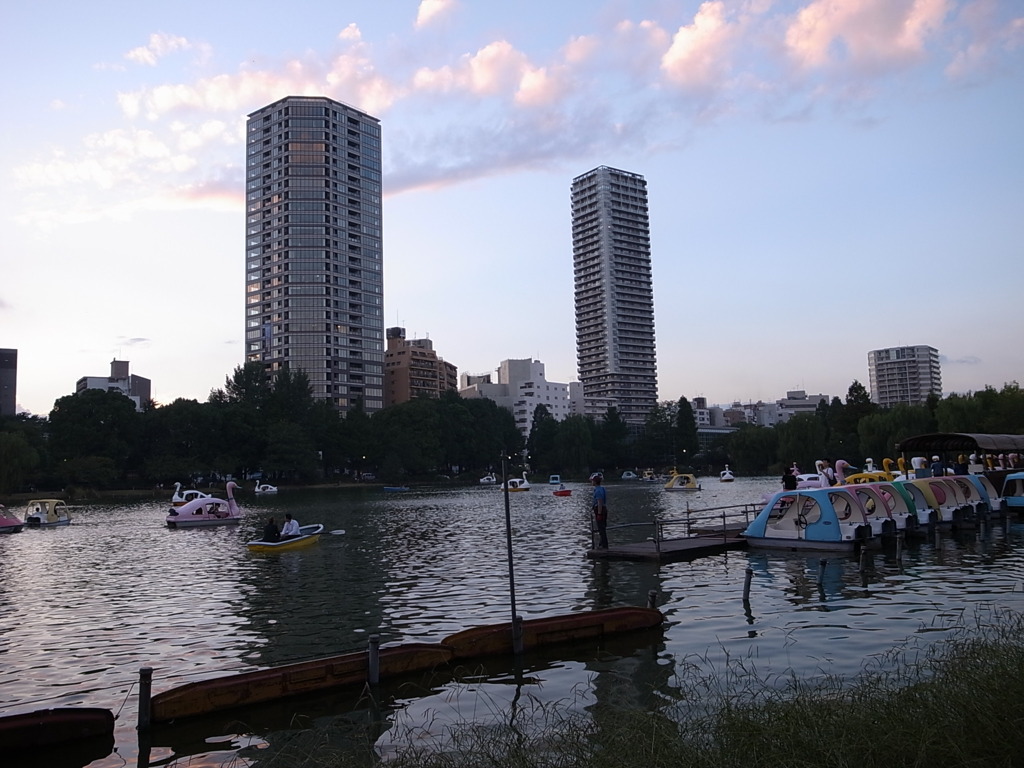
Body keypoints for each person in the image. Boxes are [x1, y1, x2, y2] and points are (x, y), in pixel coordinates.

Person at [591, 473, 609, 549]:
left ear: (595, 482)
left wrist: (599, 513)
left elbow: (600, 501)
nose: (591, 482)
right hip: (604, 509)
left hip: (600, 509)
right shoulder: (602, 488)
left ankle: (604, 545)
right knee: (603, 527)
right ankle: (602, 543)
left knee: (601, 528)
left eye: (592, 481)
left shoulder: (598, 491)